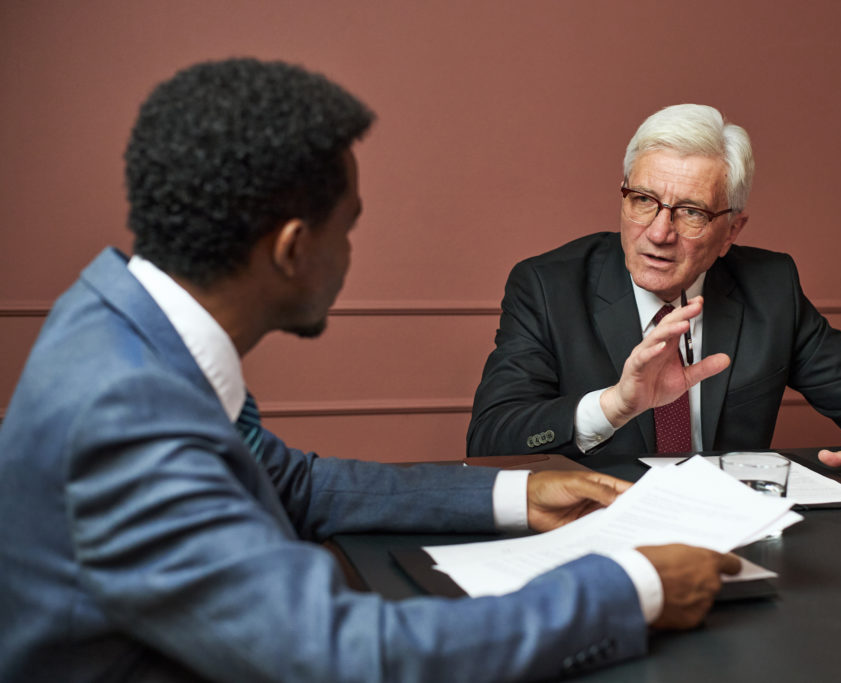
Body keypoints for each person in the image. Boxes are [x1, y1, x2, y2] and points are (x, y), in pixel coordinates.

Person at [0, 61, 740, 682]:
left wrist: (521, 492)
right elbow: (342, 654)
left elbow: (293, 485)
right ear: (292, 248)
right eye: (348, 227)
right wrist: (631, 588)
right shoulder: (125, 411)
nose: (352, 253)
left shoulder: (124, 324)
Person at [467, 104, 841, 493]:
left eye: (691, 211)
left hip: (730, 531)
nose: (659, 232)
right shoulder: (548, 287)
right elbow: (490, 440)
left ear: (731, 231)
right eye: (643, 200)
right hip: (600, 528)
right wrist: (614, 405)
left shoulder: (769, 288)